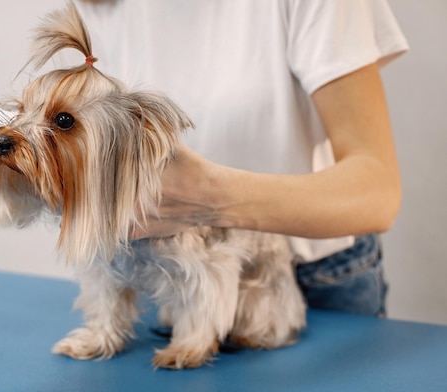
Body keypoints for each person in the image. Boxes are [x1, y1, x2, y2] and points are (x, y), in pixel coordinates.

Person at [76, 0, 409, 316]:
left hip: (309, 282)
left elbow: (377, 193)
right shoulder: (98, 7)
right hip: (160, 279)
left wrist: (209, 199)